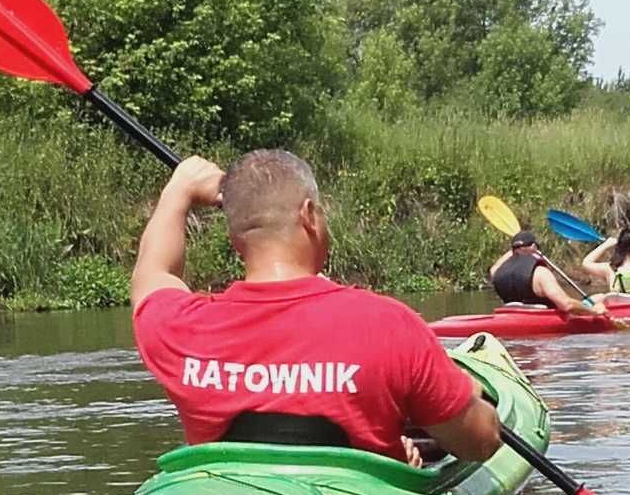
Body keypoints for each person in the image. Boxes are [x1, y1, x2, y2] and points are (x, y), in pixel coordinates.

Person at [132, 150, 502, 467]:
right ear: (309, 215)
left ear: (234, 237)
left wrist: (177, 192)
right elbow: (480, 441)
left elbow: (151, 273)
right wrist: (468, 390)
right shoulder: (389, 324)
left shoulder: (181, 328)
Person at [487, 229, 601, 317]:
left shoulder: (497, 272)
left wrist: (517, 247)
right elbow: (567, 305)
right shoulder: (541, 274)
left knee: (597, 298)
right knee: (599, 300)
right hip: (544, 323)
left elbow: (494, 267)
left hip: (512, 318)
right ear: (534, 247)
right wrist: (593, 311)